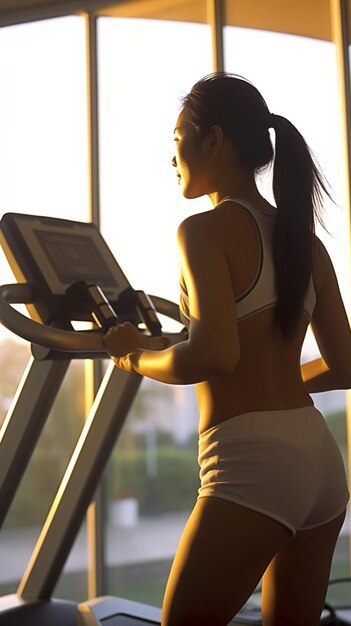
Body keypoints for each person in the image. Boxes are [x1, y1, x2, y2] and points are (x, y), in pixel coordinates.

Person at [103, 73, 351, 626]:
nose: (172, 158)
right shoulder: (306, 245)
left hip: (253, 462)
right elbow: (347, 363)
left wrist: (132, 354)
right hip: (317, 457)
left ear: (212, 140)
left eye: (176, 140)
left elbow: (215, 355)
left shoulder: (202, 231)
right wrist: (283, 384)